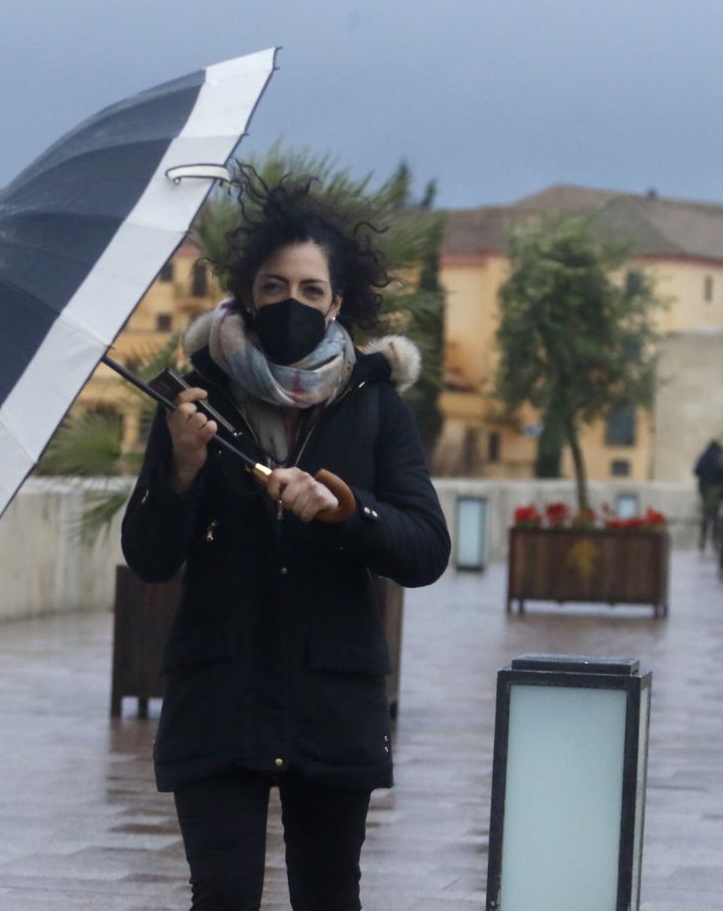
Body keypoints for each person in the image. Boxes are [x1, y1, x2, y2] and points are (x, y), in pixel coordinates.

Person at [120, 170, 450, 911]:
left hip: (332, 701)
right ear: (245, 294)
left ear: (338, 303)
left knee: (330, 898)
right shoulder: (194, 401)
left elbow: (426, 548)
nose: (291, 304)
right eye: (274, 288)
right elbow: (148, 555)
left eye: (309, 291)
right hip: (218, 696)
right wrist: (179, 465)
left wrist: (346, 510)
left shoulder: (376, 405)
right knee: (223, 897)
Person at [693, 440, 723, 553]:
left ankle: (702, 541)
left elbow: (696, 470)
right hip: (714, 490)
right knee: (715, 517)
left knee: (706, 516)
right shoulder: (717, 457)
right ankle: (715, 541)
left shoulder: (704, 456)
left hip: (704, 489)